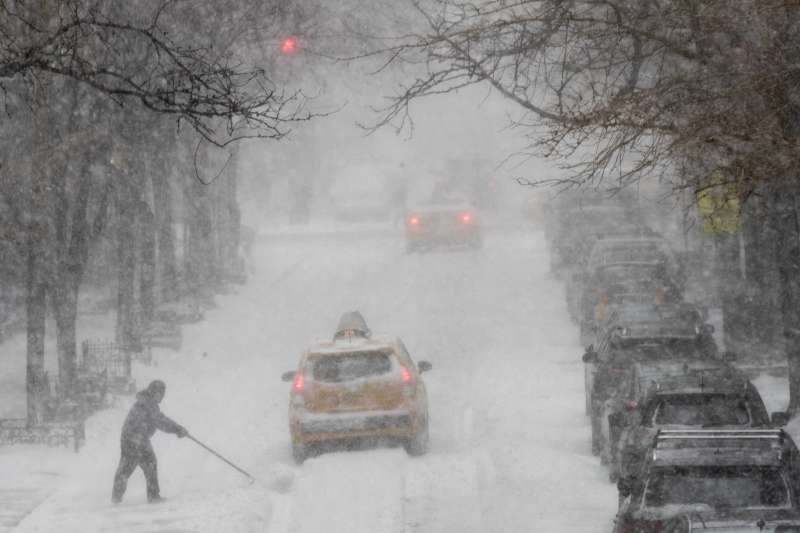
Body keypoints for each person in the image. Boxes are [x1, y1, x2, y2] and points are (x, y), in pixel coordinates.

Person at [112, 380, 188, 503]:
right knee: (143, 464)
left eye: (162, 394)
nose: (161, 396)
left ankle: (116, 497)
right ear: (152, 392)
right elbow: (161, 421)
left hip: (132, 438)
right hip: (136, 439)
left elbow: (160, 419)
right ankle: (152, 496)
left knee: (130, 467)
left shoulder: (146, 402)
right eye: (158, 393)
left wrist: (178, 429)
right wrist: (178, 429)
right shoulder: (148, 404)